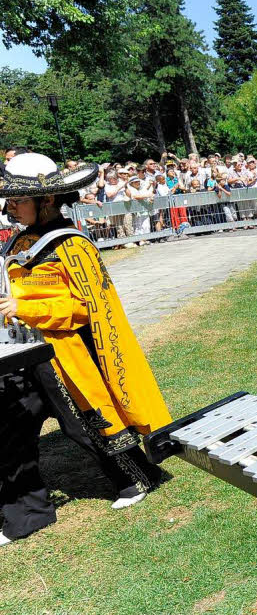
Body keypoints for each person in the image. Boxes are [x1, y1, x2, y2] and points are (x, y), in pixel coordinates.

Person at [0, 153, 171, 546]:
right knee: (9, 429)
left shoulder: (72, 245)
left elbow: (84, 308)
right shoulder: (20, 239)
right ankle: (27, 514)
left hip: (64, 357)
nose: (10, 207)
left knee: (86, 425)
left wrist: (23, 307)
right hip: (18, 352)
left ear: (46, 200)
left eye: (17, 200)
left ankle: (138, 477)